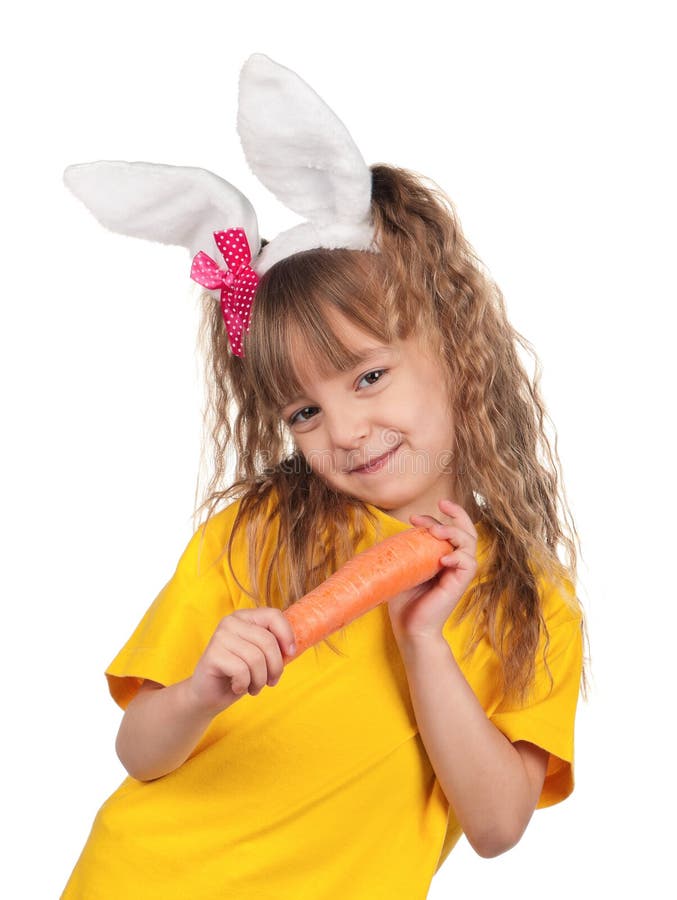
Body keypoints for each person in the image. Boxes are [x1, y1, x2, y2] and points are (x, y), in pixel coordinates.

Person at [60, 53, 590, 899]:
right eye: (302, 411)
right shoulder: (256, 534)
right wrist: (201, 690)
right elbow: (140, 753)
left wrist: (423, 642)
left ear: (455, 348)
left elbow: (495, 827)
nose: (343, 429)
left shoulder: (529, 601)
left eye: (367, 376)